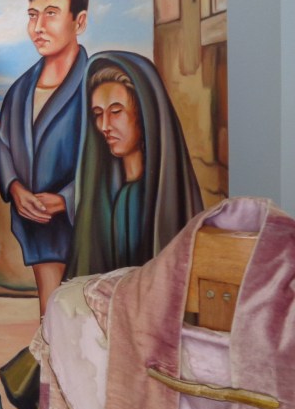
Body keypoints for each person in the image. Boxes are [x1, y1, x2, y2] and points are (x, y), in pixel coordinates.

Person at [0, 0, 89, 317]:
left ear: (79, 21)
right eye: (33, 15)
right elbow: (4, 144)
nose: (38, 27)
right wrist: (15, 188)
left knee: (84, 313)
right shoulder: (20, 89)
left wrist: (66, 199)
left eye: (51, 14)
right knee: (50, 310)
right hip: (35, 223)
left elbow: (109, 159)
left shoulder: (95, 83)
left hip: (84, 223)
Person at [67, 51, 203, 276]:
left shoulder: (163, 197)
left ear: (144, 112)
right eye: (98, 114)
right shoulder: (101, 199)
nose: (105, 126)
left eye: (116, 111)